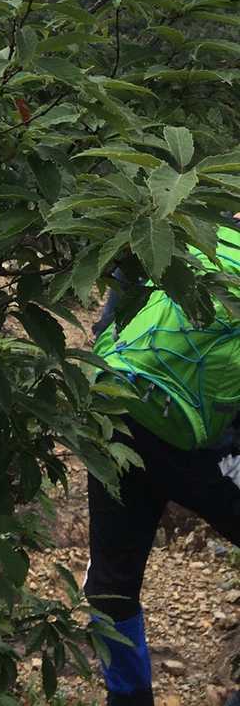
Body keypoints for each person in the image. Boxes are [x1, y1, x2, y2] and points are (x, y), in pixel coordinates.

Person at [87, 221, 240, 706]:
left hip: (119, 411)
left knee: (111, 583)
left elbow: (111, 320)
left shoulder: (182, 221)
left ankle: (127, 699)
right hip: (206, 446)